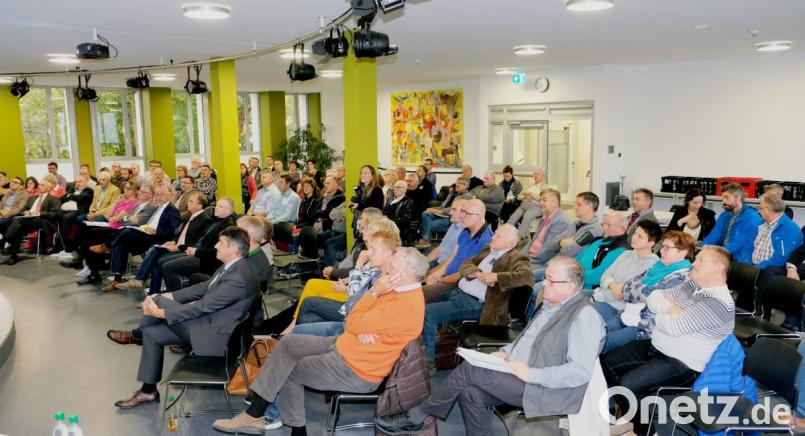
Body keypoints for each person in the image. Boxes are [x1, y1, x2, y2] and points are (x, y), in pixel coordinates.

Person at [375, 256, 605, 436]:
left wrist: (531, 373)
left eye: (551, 280)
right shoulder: (552, 305)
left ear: (572, 286)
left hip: (545, 386)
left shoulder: (585, 317)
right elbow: (528, 341)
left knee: (470, 371)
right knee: (470, 391)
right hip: (520, 371)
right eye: (545, 277)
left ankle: (418, 417)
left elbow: (579, 372)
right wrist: (505, 353)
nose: (544, 283)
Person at [211, 247, 428, 436]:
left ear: (407, 272)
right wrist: (362, 325)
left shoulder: (403, 303)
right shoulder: (398, 290)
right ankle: (256, 413)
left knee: (290, 370)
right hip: (348, 345)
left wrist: (372, 295)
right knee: (289, 343)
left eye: (393, 264)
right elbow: (357, 317)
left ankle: (292, 429)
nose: (387, 267)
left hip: (356, 369)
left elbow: (353, 318)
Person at [108, 227, 259, 409]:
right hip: (209, 324)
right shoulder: (235, 266)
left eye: (221, 243)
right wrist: (172, 296)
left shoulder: (238, 277)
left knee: (156, 300)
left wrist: (160, 312)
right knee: (152, 333)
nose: (216, 246)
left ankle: (136, 334)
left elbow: (203, 307)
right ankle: (148, 391)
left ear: (234, 249)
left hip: (214, 337)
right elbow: (204, 287)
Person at [601, 246, 735, 433]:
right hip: (656, 346)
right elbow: (653, 298)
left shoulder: (718, 302)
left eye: (700, 261)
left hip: (682, 363)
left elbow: (672, 326)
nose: (694, 263)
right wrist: (670, 310)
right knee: (607, 362)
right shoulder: (692, 284)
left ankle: (645, 430)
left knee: (628, 385)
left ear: (718, 268)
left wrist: (663, 312)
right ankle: (635, 417)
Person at [422, 224, 533, 367]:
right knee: (423, 301)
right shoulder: (489, 249)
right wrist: (477, 273)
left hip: (477, 304)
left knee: (428, 314)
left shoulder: (517, 258)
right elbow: (466, 264)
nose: (492, 237)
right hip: (458, 293)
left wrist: (497, 277)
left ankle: (428, 362)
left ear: (510, 243)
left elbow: (527, 277)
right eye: (495, 233)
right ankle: (430, 344)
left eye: (498, 236)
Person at [285, 222, 400, 337]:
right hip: (352, 307)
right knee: (309, 314)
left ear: (387, 252)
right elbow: (356, 282)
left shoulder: (386, 276)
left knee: (309, 303)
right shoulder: (374, 260)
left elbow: (355, 298)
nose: (368, 252)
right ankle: (293, 337)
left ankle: (290, 335)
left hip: (352, 313)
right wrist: (342, 277)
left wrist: (347, 278)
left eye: (371, 247)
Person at [601, 230, 695, 351]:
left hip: (641, 327)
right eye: (662, 247)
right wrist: (637, 291)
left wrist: (636, 290)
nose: (661, 250)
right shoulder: (658, 265)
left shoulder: (683, 276)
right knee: (592, 332)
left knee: (599, 344)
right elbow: (628, 286)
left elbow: (649, 296)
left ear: (683, 252)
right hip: (626, 315)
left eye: (667, 248)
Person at [115, 191, 210, 292]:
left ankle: (141, 281)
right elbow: (180, 235)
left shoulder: (204, 220)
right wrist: (173, 241)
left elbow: (197, 243)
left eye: (191, 201)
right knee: (155, 252)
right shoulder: (190, 216)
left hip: (186, 251)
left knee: (155, 251)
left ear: (200, 205)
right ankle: (152, 292)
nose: (188, 203)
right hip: (177, 246)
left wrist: (178, 247)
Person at [592, 220, 663, 352]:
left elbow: (623, 293)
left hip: (615, 306)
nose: (634, 237)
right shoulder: (626, 254)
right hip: (600, 294)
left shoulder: (652, 265)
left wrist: (607, 286)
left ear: (651, 243)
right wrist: (612, 284)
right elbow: (605, 275)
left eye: (640, 236)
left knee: (580, 316)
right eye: (635, 233)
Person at [101, 185, 180, 292]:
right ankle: (117, 279)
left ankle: (106, 246)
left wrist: (156, 231)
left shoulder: (172, 210)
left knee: (127, 232)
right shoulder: (158, 207)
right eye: (157, 194)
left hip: (156, 238)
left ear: (170, 196)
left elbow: (173, 230)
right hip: (146, 234)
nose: (158, 197)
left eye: (162, 195)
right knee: (120, 243)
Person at [155, 197, 236, 293]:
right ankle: (164, 290)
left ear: (229, 211)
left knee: (167, 266)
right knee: (161, 261)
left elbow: (216, 252)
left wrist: (196, 251)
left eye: (220, 206)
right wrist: (186, 248)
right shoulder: (211, 220)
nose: (216, 208)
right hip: (196, 252)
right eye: (217, 205)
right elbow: (197, 240)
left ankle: (177, 295)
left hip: (206, 259)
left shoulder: (228, 227)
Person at [423, 199, 493, 302]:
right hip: (446, 278)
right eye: (462, 211)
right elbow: (452, 258)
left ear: (477, 216)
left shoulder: (485, 241)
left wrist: (440, 280)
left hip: (458, 285)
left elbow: (465, 274)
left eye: (465, 213)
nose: (461, 216)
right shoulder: (465, 231)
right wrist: (434, 275)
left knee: (419, 295)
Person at [750, 192, 804, 315]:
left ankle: (759, 309)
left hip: (773, 266)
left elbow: (781, 258)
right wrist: (748, 264)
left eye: (760, 207)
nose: (758, 209)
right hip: (756, 265)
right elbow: (749, 248)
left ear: (769, 209)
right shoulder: (760, 225)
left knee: (769, 270)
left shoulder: (790, 229)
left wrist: (755, 268)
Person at [0, 175, 62, 265]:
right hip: (27, 221)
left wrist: (38, 213)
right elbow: (23, 210)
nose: (39, 186)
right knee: (17, 229)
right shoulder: (32, 198)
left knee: (17, 221)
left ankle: (4, 240)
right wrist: (26, 212)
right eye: (39, 185)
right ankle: (13, 255)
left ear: (49, 188)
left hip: (42, 221)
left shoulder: (53, 199)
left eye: (42, 185)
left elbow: (56, 213)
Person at [701, 183, 763, 264]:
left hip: (739, 259)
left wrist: (716, 253)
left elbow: (738, 244)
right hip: (723, 254)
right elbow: (714, 235)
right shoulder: (725, 215)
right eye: (722, 198)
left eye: (727, 197)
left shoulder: (752, 218)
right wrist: (702, 246)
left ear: (738, 198)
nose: (723, 201)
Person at [521, 188, 573, 273]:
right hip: (530, 258)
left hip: (540, 263)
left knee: (509, 273)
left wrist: (528, 261)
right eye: (540, 200)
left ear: (555, 203)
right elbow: (532, 242)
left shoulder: (561, 221)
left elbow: (549, 249)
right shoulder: (545, 217)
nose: (540, 203)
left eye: (544, 200)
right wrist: (520, 257)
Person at [416, 176, 470, 248]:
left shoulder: (466, 196)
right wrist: (432, 208)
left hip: (451, 218)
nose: (457, 184)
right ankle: (426, 240)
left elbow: (453, 209)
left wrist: (439, 211)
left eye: (460, 183)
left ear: (466, 186)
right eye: (457, 182)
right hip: (442, 215)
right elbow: (442, 206)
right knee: (425, 213)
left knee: (426, 225)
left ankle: (425, 240)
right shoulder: (452, 194)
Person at [507, 167, 550, 238]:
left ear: (543, 176)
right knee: (513, 217)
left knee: (527, 216)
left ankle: (518, 238)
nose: (535, 176)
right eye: (534, 174)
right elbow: (519, 196)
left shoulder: (545, 187)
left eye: (538, 174)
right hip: (524, 205)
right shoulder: (530, 185)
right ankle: (506, 234)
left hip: (536, 207)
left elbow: (542, 198)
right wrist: (525, 196)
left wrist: (531, 194)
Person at [558, 191, 604, 257]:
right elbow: (554, 242)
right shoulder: (575, 224)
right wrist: (560, 243)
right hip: (556, 261)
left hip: (568, 265)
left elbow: (569, 251)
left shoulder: (593, 230)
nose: (574, 208)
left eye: (579, 205)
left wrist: (560, 243)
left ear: (590, 207)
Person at [425, 198, 468, 268]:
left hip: (445, 267)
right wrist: (424, 262)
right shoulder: (454, 225)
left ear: (463, 213)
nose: (450, 212)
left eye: (454, 209)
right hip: (439, 260)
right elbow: (441, 247)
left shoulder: (466, 232)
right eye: (451, 209)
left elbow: (453, 262)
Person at [349, 165, 385, 233]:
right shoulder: (360, 189)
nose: (362, 175)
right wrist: (354, 208)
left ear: (372, 176)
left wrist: (358, 206)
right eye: (361, 173)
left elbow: (375, 209)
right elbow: (362, 204)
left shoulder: (377, 190)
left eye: (365, 173)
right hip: (359, 223)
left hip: (371, 225)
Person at [383, 180, 417, 246]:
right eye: (394, 187)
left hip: (400, 230)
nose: (395, 189)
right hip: (388, 227)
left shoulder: (409, 202)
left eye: (398, 187)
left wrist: (389, 221)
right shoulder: (390, 200)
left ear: (405, 189)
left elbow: (406, 219)